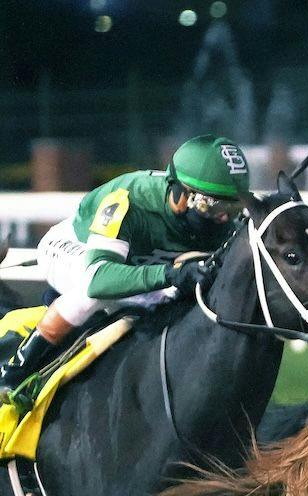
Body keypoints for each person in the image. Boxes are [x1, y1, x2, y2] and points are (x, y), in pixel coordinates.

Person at [0, 134, 251, 397]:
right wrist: (170, 274)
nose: (224, 218)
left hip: (137, 261)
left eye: (234, 206)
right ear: (179, 191)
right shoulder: (128, 200)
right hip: (78, 252)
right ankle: (15, 372)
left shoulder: (223, 220)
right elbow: (99, 279)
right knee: (92, 294)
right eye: (212, 206)